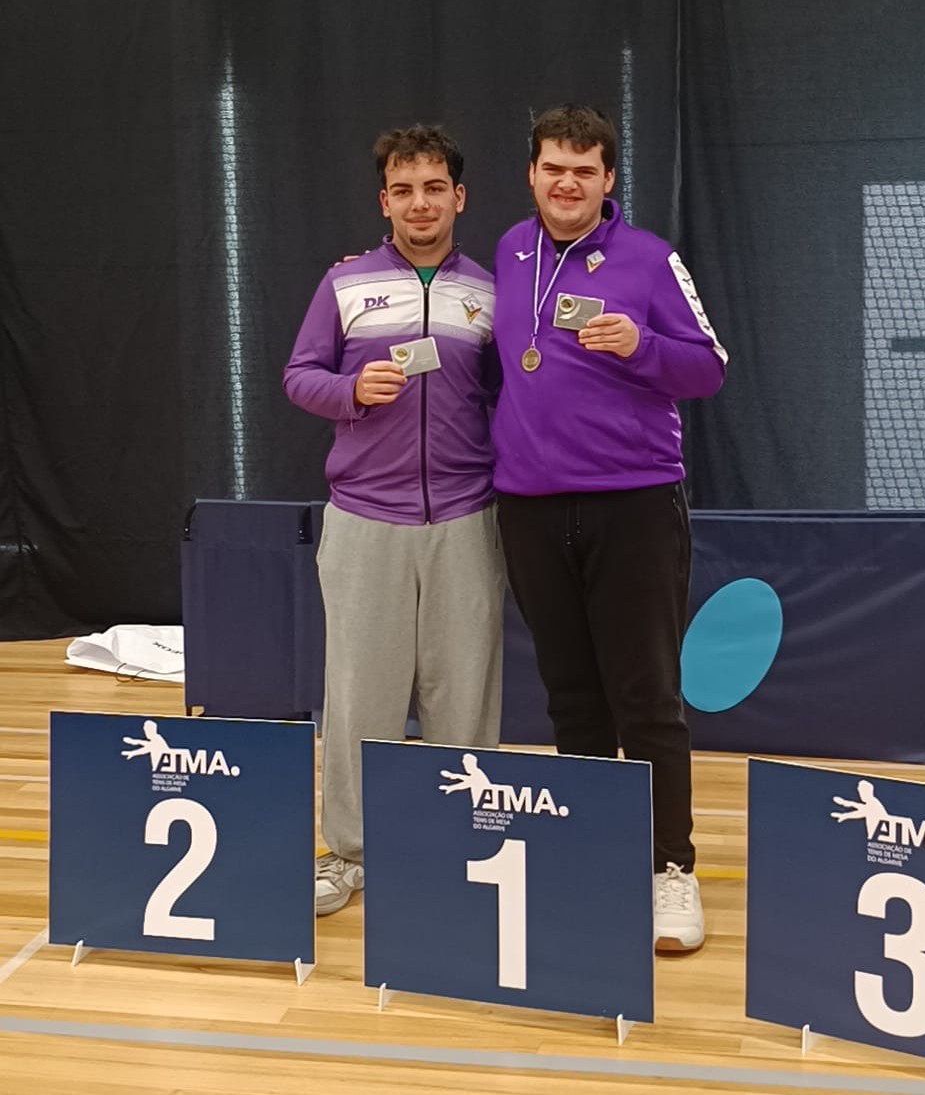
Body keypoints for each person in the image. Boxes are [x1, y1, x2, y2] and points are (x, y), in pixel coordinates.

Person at [492, 104, 727, 951]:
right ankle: (595, 852)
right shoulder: (509, 253)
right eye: (554, 166)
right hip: (528, 506)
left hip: (633, 506)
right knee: (571, 697)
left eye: (585, 170)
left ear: (609, 179)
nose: (568, 182)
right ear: (532, 174)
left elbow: (710, 367)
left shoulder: (652, 259)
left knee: (648, 700)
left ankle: (672, 869)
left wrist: (641, 345)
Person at [283, 125, 504, 915]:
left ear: (459, 197)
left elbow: (507, 396)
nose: (420, 203)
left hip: (468, 520)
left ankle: (462, 844)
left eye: (434, 187)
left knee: (465, 694)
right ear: (385, 201)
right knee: (358, 695)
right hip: (364, 520)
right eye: (404, 189)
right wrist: (350, 394)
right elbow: (299, 375)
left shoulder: (488, 292)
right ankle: (348, 853)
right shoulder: (344, 286)